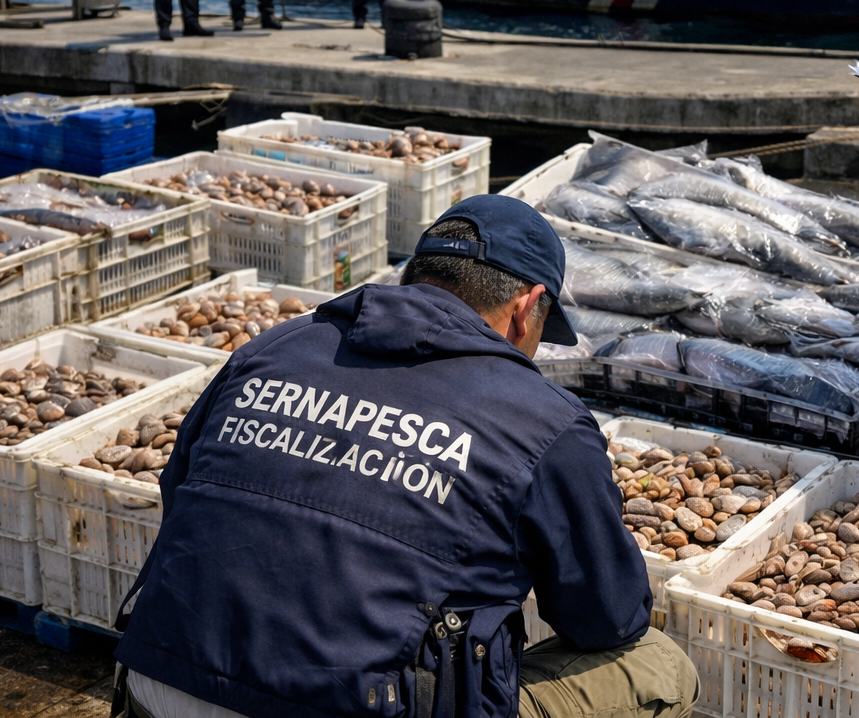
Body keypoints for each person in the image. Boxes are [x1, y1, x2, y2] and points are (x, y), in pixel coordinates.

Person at [109, 195, 699, 718]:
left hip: (154, 684)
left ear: (412, 275)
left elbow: (179, 494)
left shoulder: (273, 347)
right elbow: (608, 618)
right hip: (356, 706)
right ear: (528, 307)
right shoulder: (546, 420)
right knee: (658, 665)